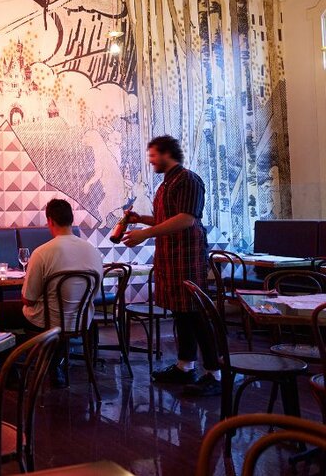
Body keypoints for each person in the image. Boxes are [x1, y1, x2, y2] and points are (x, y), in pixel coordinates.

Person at [122, 135, 219, 396]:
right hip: (171, 256)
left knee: (197, 314)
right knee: (181, 312)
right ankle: (185, 366)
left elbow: (186, 219)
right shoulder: (166, 184)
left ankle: (215, 373)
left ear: (167, 154)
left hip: (187, 255)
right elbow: (167, 218)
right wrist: (141, 219)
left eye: (154, 155)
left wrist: (145, 234)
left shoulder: (188, 179)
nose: (151, 160)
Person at [21, 199, 103, 332]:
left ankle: (23, 351)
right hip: (82, 322)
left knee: (3, 312)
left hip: (47, 324)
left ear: (50, 221)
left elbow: (28, 300)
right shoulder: (93, 251)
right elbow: (95, 294)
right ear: (71, 220)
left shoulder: (41, 253)